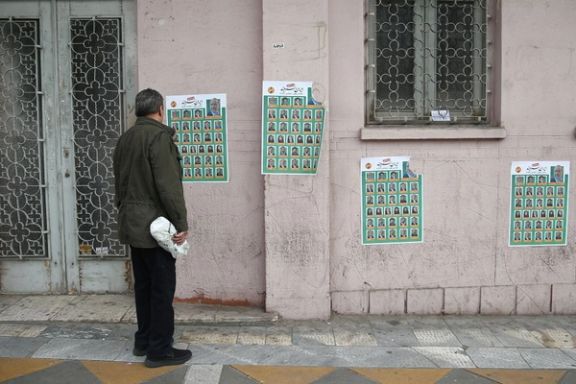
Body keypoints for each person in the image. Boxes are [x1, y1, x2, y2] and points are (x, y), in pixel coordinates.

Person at [113, 89, 192, 368]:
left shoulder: (125, 139)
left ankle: (143, 340)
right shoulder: (159, 138)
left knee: (144, 287)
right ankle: (159, 350)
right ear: (160, 108)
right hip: (156, 228)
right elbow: (169, 187)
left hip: (133, 224)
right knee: (161, 289)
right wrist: (180, 224)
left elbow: (118, 185)